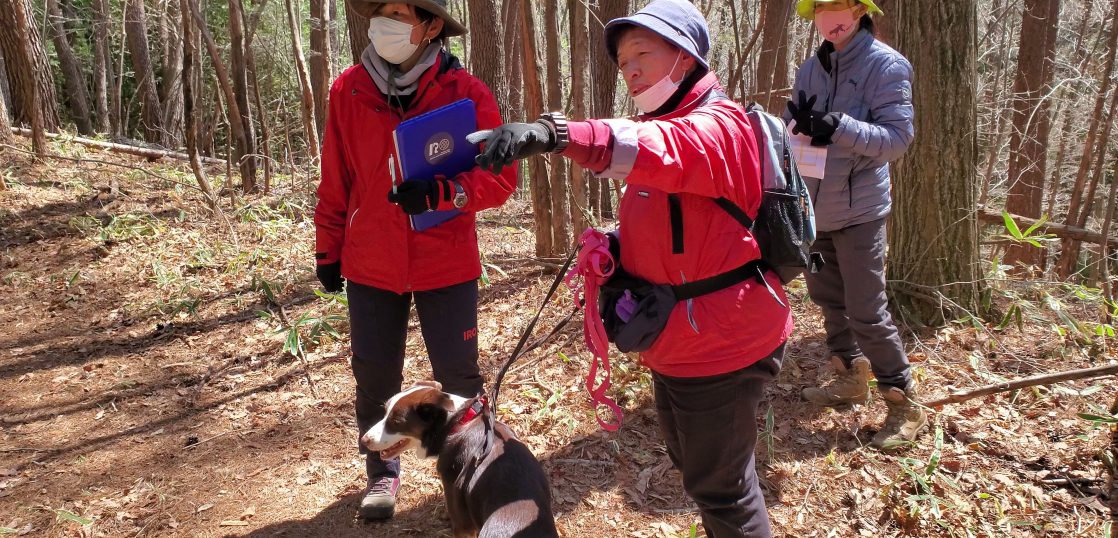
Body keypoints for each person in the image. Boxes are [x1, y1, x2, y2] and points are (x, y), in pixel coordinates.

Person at [468, 1, 791, 535]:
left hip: (721, 342)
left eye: (643, 54)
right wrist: (617, 249)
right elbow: (683, 226)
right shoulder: (662, 124)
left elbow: (665, 149)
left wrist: (557, 134)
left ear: (686, 58)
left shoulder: (719, 126)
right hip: (677, 338)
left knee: (724, 491)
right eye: (623, 63)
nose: (631, 70)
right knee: (701, 471)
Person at [313, 0, 516, 521]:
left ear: (431, 26)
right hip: (370, 261)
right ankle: (382, 474)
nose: (386, 21)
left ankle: (475, 474)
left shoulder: (466, 93)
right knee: (374, 376)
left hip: (446, 262)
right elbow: (336, 176)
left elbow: (501, 179)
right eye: (381, 10)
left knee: (459, 380)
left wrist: (444, 193)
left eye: (400, 13)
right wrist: (328, 247)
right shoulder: (348, 89)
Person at [784, 0, 925, 449]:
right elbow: (792, 131)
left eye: (839, 5)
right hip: (813, 209)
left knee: (866, 310)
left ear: (860, 10)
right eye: (821, 8)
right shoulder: (810, 69)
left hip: (861, 211)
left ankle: (903, 403)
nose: (831, 16)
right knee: (828, 299)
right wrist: (791, 127)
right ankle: (849, 377)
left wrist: (838, 125)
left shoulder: (887, 65)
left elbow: (897, 140)